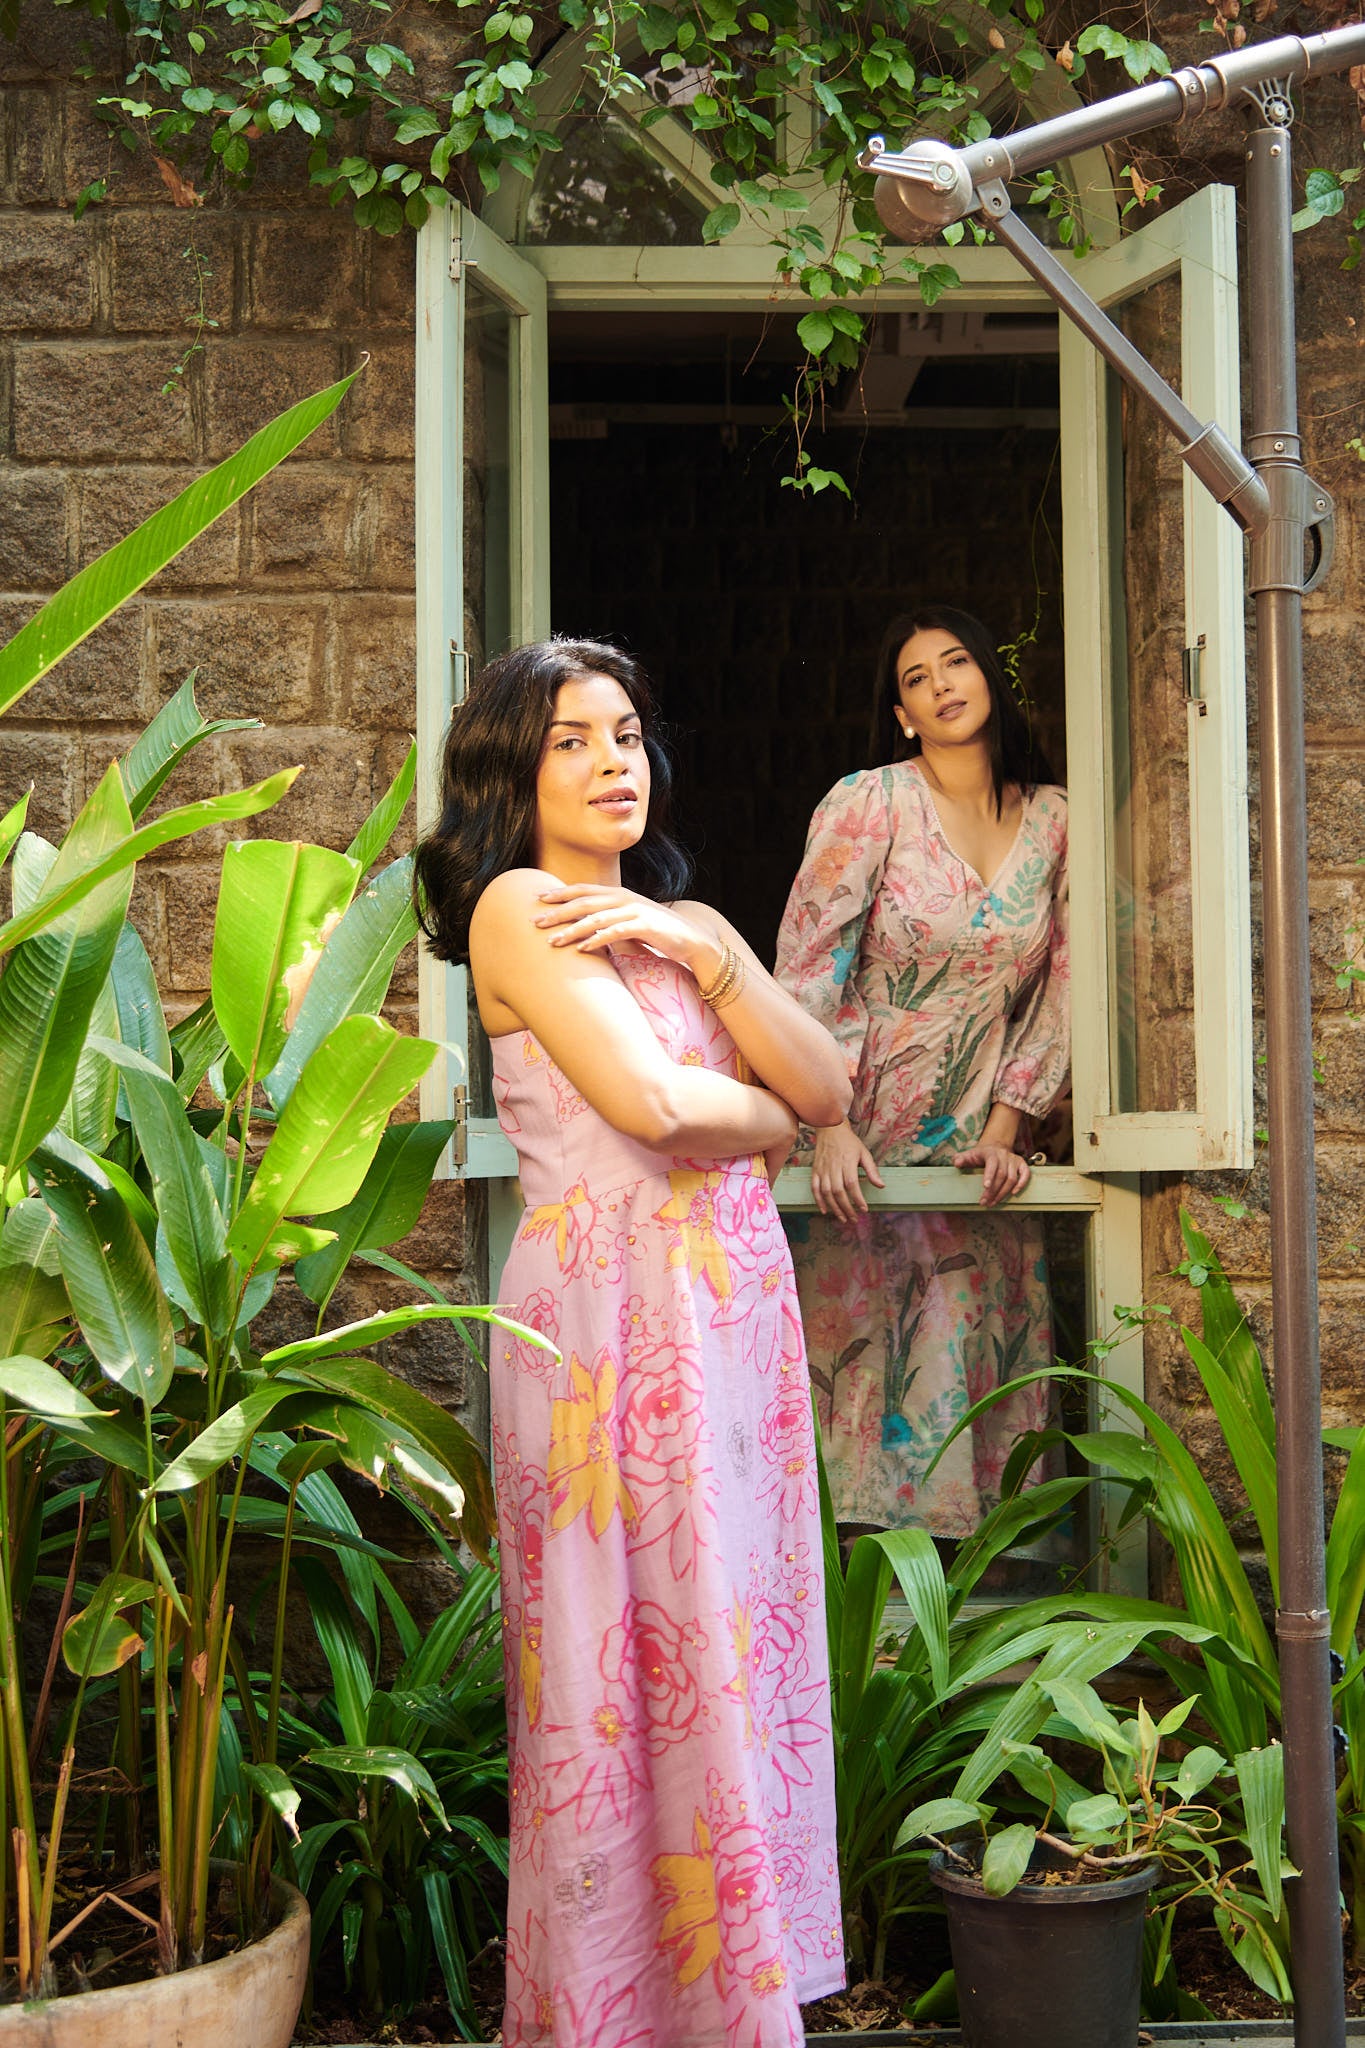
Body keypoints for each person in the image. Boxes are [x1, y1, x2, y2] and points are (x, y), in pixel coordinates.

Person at [414, 638, 850, 2048]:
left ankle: (731, 2006)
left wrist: (708, 948)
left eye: (628, 735)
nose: (615, 764)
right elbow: (663, 1108)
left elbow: (837, 1075)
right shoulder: (513, 908)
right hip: (611, 1322)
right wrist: (776, 1122)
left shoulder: (677, 925)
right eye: (573, 742)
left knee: (728, 1640)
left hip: (723, 1315)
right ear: (509, 774)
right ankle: (616, 2018)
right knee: (620, 1658)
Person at [774, 604, 1069, 1541]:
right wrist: (824, 1120)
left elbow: (1061, 987)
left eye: (956, 664)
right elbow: (806, 968)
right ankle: (859, 1631)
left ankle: (967, 1623)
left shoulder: (1054, 819)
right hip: (858, 1138)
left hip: (975, 1148)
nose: (941, 685)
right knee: (867, 1366)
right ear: (901, 712)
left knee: (959, 1360)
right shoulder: (870, 803)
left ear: (989, 678)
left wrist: (1008, 1127)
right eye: (916, 677)